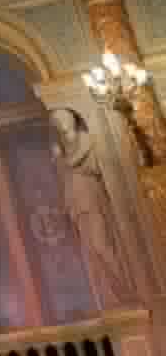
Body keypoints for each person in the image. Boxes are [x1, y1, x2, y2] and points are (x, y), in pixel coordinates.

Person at [49, 107, 133, 309]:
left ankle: (126, 291)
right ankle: (114, 298)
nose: (61, 124)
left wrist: (60, 159)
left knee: (101, 246)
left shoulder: (84, 139)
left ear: (72, 118)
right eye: (56, 121)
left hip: (91, 199)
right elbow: (63, 177)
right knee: (91, 254)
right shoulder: (61, 147)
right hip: (76, 204)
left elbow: (84, 165)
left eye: (63, 118)